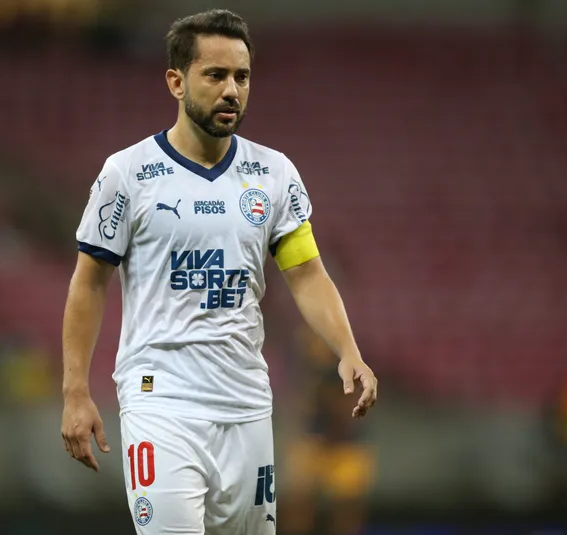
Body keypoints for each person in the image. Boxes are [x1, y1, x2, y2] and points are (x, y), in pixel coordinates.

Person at [60, 9, 378, 534]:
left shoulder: (273, 174)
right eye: (215, 75)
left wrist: (348, 350)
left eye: (242, 77)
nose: (232, 90)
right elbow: (89, 282)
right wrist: (75, 390)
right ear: (176, 82)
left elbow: (306, 273)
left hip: (246, 402)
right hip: (159, 400)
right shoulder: (128, 174)